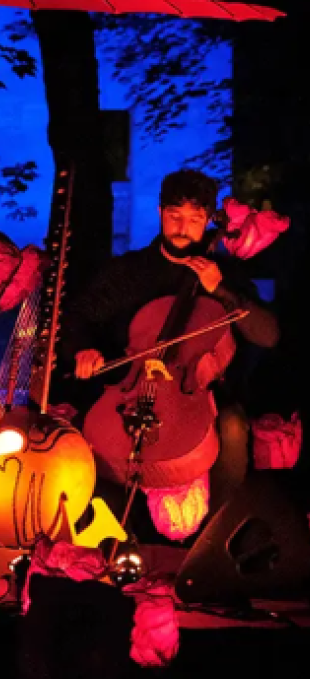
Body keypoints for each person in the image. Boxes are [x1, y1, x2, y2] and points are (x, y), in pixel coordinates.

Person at [60, 168, 280, 522]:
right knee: (91, 434)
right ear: (161, 213)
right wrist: (82, 348)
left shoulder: (224, 274)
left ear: (208, 221)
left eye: (195, 219)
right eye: (175, 216)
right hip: (130, 390)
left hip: (197, 394)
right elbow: (77, 316)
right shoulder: (129, 271)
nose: (182, 228)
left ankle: (219, 532)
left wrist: (220, 290)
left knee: (233, 425)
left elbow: (268, 334)